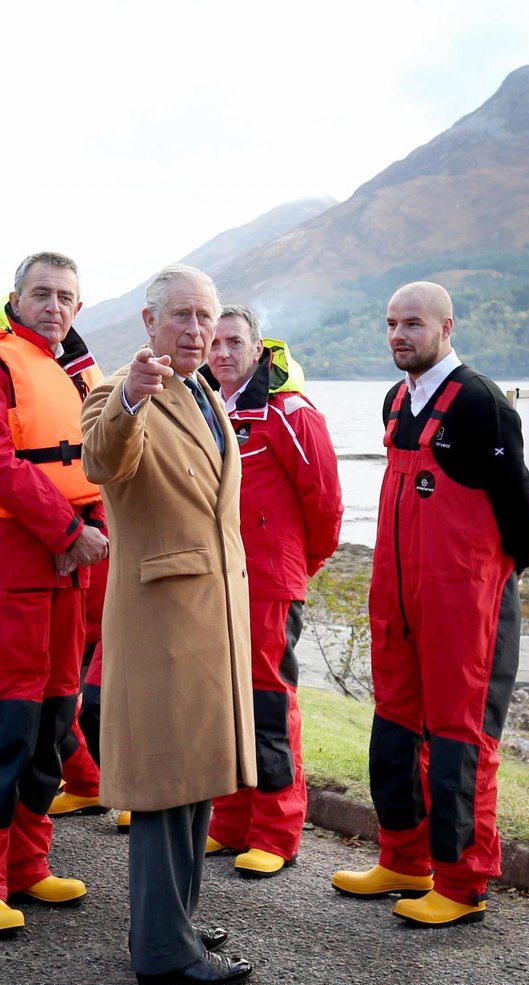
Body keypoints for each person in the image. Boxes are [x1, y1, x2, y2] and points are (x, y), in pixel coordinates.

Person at [331, 281, 529, 927]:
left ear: (447, 326)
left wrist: (478, 585)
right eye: (391, 323)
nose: (399, 334)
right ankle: (403, 857)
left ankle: (460, 882)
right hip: (398, 598)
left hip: (463, 605)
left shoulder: (482, 403)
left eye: (413, 323)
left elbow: (523, 521)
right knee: (395, 726)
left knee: (459, 737)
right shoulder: (397, 400)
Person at [82, 263, 257, 985]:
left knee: (197, 775)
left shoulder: (205, 392)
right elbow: (102, 457)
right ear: (149, 322)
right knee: (163, 782)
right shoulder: (120, 388)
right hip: (163, 617)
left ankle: (174, 918)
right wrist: (128, 397)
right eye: (180, 316)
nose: (195, 330)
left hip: (211, 615)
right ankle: (162, 949)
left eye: (204, 318)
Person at [0, 252, 107, 937]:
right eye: (42, 293)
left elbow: (94, 463)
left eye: (65, 296)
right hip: (5, 559)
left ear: (78, 308)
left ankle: (28, 862)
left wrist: (86, 530)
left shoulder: (73, 370)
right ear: (16, 296)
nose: (53, 305)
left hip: (68, 561)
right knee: (1, 719)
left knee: (55, 716)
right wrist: (67, 529)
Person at [200, 307, 343, 877]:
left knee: (268, 702)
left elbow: (326, 502)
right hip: (215, 578)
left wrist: (300, 566)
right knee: (223, 702)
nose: (223, 353)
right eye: (214, 342)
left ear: (259, 350)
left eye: (235, 342)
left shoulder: (290, 411)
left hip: (268, 581)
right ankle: (230, 821)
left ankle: (276, 829)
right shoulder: (205, 406)